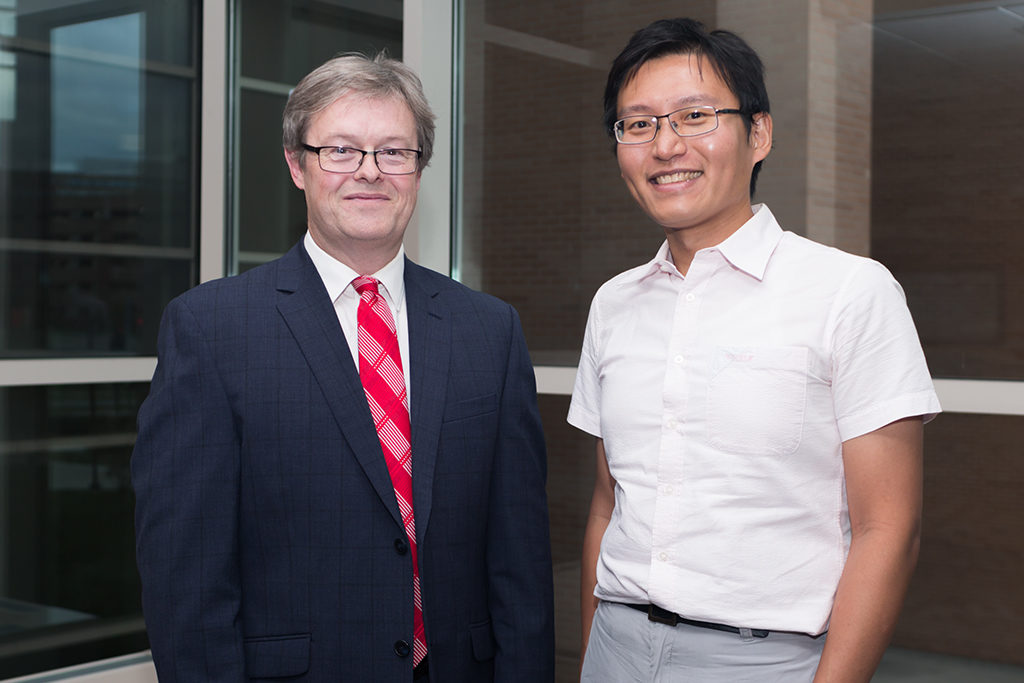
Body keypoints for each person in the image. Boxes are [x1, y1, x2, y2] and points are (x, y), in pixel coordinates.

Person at [132, 52, 554, 682]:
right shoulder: (211, 328)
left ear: (418, 168)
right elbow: (185, 575)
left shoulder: (490, 329)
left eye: (393, 151)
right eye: (340, 150)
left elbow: (519, 556)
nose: (370, 172)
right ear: (296, 164)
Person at [569, 18, 940, 682]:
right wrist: (595, 644)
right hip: (615, 649)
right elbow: (608, 500)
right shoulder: (613, 304)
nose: (665, 145)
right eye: (638, 124)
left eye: (694, 116)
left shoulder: (849, 292)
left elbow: (890, 529)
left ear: (759, 132)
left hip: (768, 660)